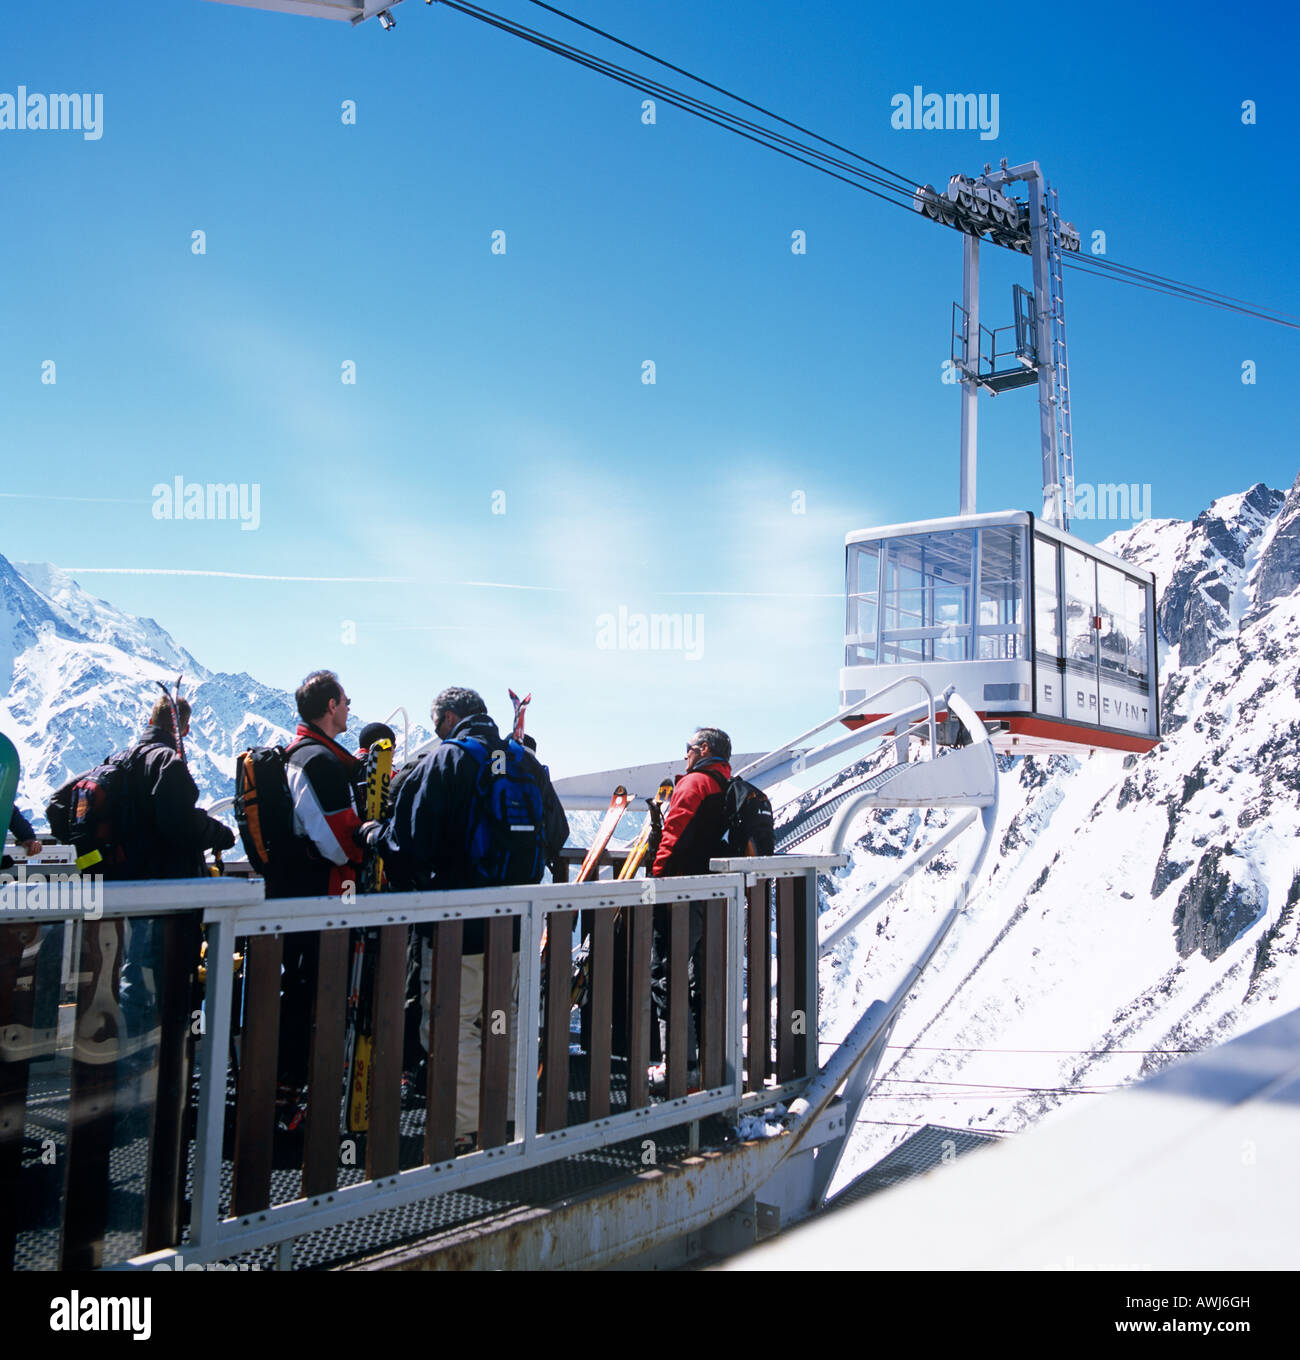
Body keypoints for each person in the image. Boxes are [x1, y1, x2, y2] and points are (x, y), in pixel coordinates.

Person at [365, 686, 568, 1149]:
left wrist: (375, 834)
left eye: (437, 724)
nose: (437, 732)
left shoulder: (447, 760)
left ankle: (460, 1132)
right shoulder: (524, 761)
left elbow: (407, 848)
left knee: (454, 1022)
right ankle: (512, 1122)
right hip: (516, 922)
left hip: (456, 921)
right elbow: (557, 832)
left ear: (450, 717)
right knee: (507, 1019)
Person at [648, 726, 733, 1091]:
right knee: (705, 979)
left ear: (702, 749)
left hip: (682, 892)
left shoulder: (695, 784)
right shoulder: (728, 786)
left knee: (666, 975)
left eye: (688, 748)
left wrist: (656, 880)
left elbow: (674, 835)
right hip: (716, 894)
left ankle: (678, 1068)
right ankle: (709, 1067)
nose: (684, 755)